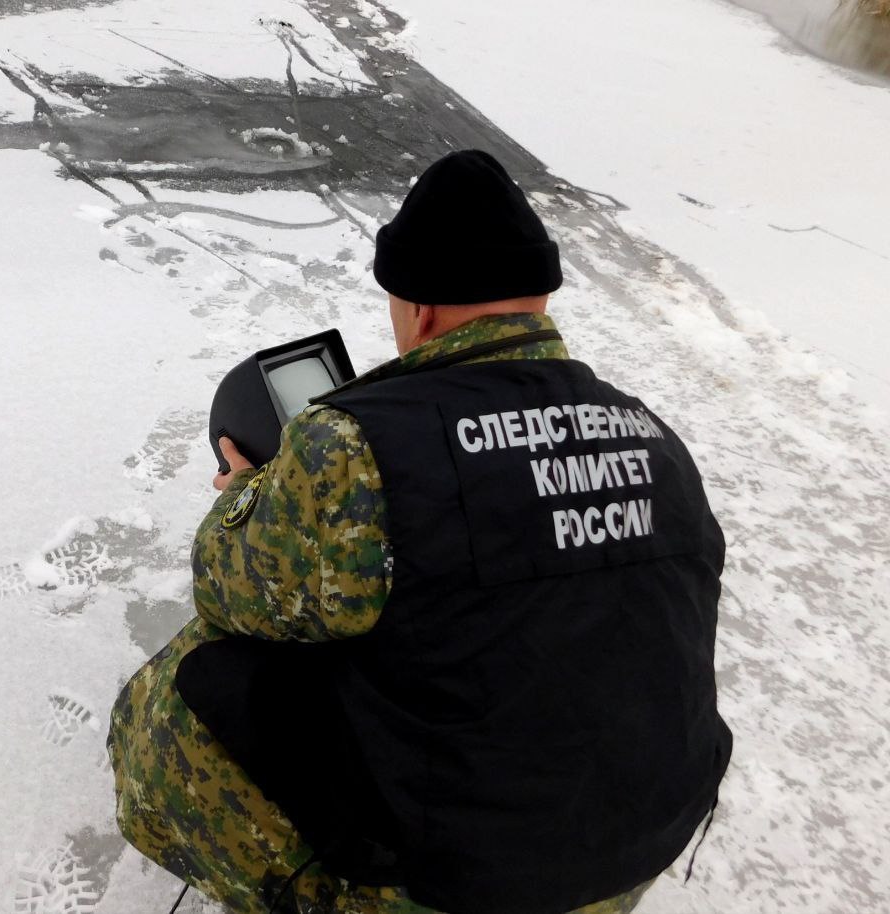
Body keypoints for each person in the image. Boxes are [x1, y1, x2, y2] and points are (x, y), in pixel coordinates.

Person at [108, 150, 732, 914]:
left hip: (460, 887)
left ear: (421, 309)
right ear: (536, 297)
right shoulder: (653, 435)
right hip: (636, 849)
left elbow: (225, 590)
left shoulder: (355, 446)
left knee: (181, 685)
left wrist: (245, 496)